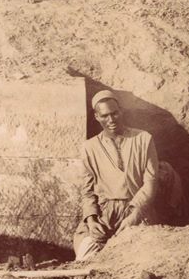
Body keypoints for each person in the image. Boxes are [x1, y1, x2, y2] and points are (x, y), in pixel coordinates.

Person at [73, 89, 181, 261]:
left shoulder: (143, 139)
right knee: (85, 255)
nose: (111, 120)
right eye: (105, 115)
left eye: (114, 113)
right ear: (97, 117)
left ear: (121, 111)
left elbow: (150, 182)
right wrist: (92, 221)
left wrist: (134, 216)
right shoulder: (89, 148)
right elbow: (87, 192)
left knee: (142, 255)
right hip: (105, 213)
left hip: (137, 208)